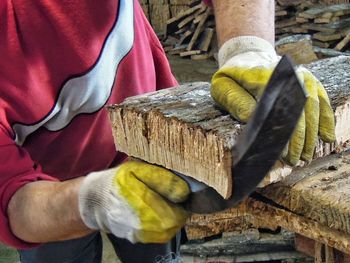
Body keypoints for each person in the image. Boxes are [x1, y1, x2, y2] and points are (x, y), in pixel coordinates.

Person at [0, 0, 335, 262]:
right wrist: (92, 201)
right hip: (50, 193)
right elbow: (12, 201)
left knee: (159, 254)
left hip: (153, 147)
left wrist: (247, 48)